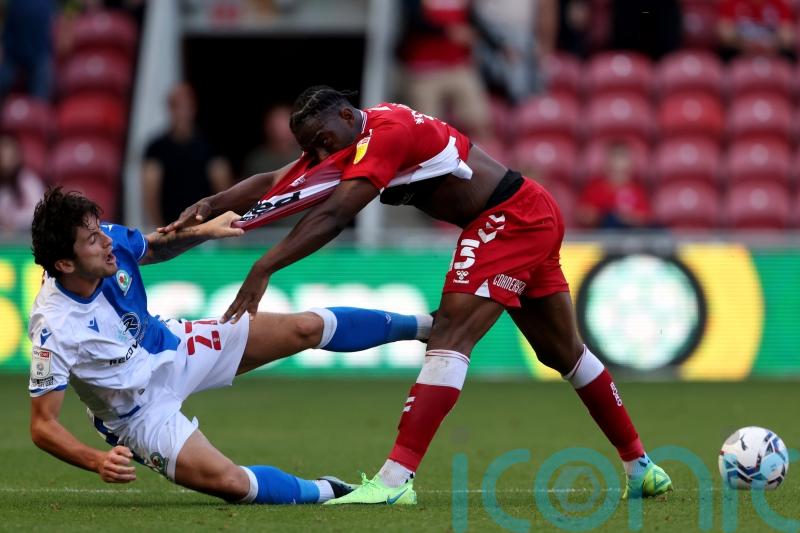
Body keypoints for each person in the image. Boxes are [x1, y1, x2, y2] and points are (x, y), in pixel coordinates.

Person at [161, 86, 673, 504]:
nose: (319, 154)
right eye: (311, 148)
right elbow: (278, 179)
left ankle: (393, 482)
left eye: (322, 140)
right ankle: (642, 468)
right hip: (526, 212)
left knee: (450, 334)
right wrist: (210, 204)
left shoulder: (387, 134)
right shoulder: (351, 136)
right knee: (564, 353)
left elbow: (337, 214)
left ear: (346, 113)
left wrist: (264, 265)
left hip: (507, 218)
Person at [28, 186, 433, 504]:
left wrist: (205, 231)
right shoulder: (54, 328)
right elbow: (43, 425)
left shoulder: (110, 242)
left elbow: (151, 247)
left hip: (175, 346)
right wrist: (96, 460)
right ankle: (334, 492)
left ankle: (428, 326)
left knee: (303, 328)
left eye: (99, 230)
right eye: (91, 240)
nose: (106, 242)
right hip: (136, 413)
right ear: (64, 264)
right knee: (233, 483)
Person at [142, 83, 235, 228]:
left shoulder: (210, 146)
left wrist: (221, 224)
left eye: (187, 107)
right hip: (170, 227)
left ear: (194, 108)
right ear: (170, 108)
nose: (182, 112)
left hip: (204, 228)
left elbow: (224, 191)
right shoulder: (156, 148)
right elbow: (150, 194)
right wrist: (159, 229)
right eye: (177, 106)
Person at [576, 141, 652, 230]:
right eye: (615, 168)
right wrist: (603, 215)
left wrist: (624, 218)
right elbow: (583, 214)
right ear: (606, 165)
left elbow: (645, 219)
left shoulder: (637, 192)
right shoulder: (595, 189)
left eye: (622, 169)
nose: (618, 169)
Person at [0, 0, 56, 101]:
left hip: (39, 55)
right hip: (13, 54)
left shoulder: (48, 3)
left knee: (41, 93)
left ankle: (37, 113)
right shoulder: (13, 3)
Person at [717, 0, 796, 61]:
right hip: (740, 53)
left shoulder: (779, 4)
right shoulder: (733, 3)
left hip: (772, 53)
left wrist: (769, 44)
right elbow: (725, 34)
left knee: (789, 55)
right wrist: (745, 44)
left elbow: (787, 37)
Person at [0, 133, 46, 232]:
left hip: (23, 239)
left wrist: (14, 222)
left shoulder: (29, 181)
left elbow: (39, 213)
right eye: (2, 155)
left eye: (10, 156)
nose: (6, 161)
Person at [242, 105, 299, 180]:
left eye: (284, 121)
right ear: (267, 127)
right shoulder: (257, 160)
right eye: (276, 123)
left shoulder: (308, 154)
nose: (280, 128)